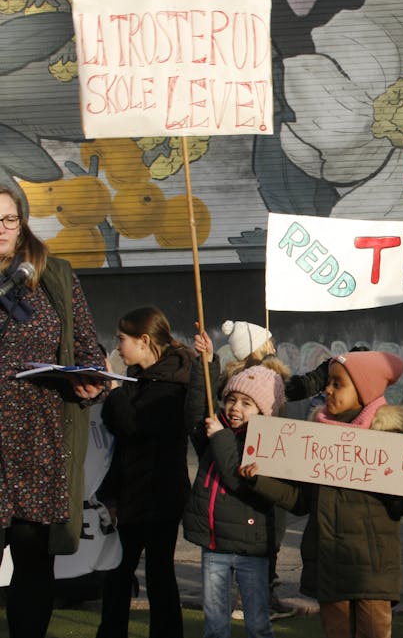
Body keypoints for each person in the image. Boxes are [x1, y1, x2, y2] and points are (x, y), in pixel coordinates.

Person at [242, 350, 403, 638]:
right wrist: (259, 479)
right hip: (328, 566)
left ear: (364, 390)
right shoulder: (314, 438)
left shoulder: (390, 440)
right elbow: (301, 500)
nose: (327, 389)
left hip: (373, 569)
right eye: (327, 382)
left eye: (337, 384)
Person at [0, 185, 105, 638]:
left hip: (38, 445)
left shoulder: (54, 275)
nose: (0, 229)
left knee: (32, 565)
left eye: (7, 219)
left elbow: (90, 350)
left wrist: (91, 381)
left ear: (22, 221)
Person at [96, 306, 193, 638]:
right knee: (119, 572)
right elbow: (119, 430)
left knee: (157, 573)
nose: (118, 346)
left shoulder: (171, 383)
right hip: (131, 492)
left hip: (158, 495)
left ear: (145, 340)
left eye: (123, 339)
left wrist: (113, 391)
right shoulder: (140, 377)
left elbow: (133, 427)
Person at [184, 363, 286, 638]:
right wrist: (205, 362)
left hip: (250, 550)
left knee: (257, 624)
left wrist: (219, 435)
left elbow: (234, 476)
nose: (235, 408)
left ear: (264, 411)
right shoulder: (214, 432)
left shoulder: (265, 443)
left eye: (246, 403)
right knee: (215, 625)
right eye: (231, 399)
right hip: (215, 545)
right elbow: (195, 410)